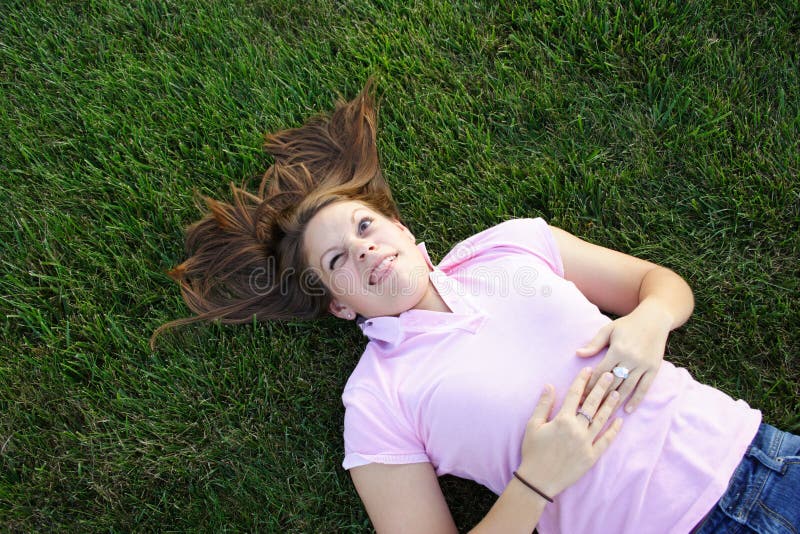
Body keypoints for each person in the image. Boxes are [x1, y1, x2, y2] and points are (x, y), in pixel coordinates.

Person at [153, 83, 800, 533]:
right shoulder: (379, 402)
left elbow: (662, 284)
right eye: (338, 262)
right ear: (341, 308)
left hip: (765, 456)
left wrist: (648, 323)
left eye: (365, 229)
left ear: (401, 229)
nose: (365, 252)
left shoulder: (509, 245)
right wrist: (538, 482)